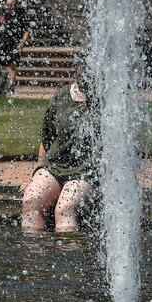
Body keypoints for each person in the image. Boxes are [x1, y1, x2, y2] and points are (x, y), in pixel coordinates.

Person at [21, 67, 100, 232]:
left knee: (65, 209)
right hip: (56, 166)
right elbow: (47, 138)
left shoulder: (108, 99)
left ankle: (68, 255)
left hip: (88, 171)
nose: (84, 73)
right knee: (31, 200)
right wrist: (37, 173)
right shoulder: (62, 95)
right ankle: (32, 255)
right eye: (82, 68)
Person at [0, 0, 30, 92]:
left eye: (12, 5)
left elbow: (26, 31)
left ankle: (11, 85)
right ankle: (3, 84)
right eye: (8, 4)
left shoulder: (19, 16)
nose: (10, 7)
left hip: (14, 44)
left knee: (13, 65)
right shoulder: (0, 14)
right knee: (2, 64)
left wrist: (22, 42)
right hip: (1, 43)